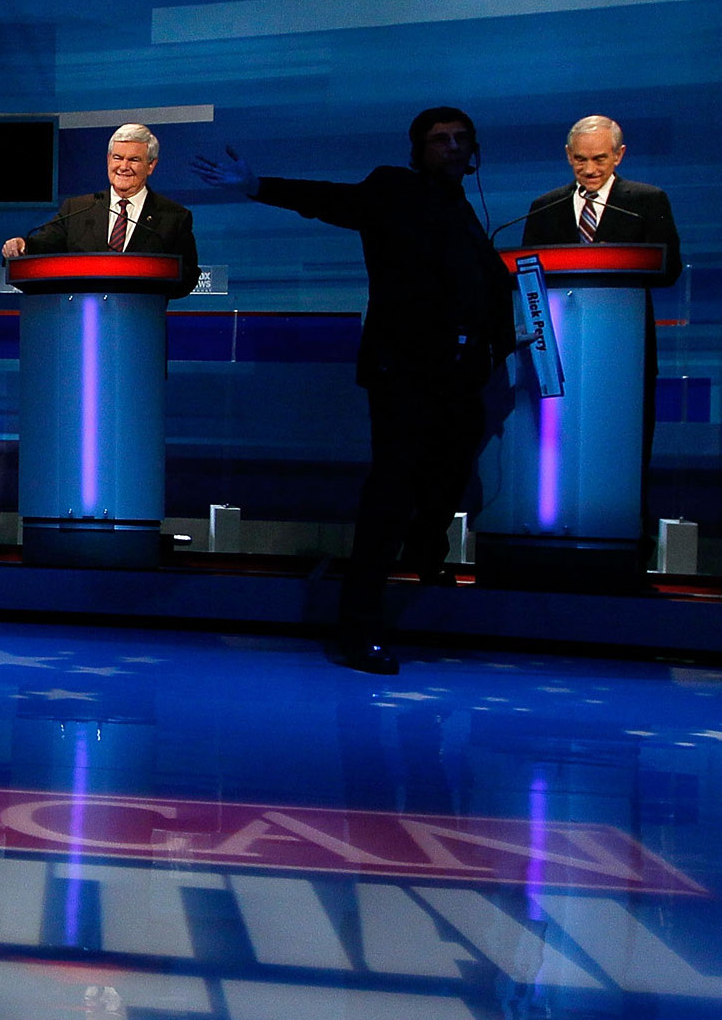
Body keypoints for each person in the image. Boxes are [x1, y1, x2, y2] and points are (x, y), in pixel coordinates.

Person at [193, 108, 515, 674]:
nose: (454, 147)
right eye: (441, 140)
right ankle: (359, 625)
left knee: (450, 477)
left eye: (463, 139)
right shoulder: (393, 188)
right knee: (391, 495)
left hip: (460, 378)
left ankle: (425, 548)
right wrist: (257, 186)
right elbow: (331, 199)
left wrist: (499, 347)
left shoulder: (466, 212)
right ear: (418, 150)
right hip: (404, 375)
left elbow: (486, 286)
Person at [520, 115, 682, 543]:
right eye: (581, 160)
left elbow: (668, 272)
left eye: (600, 159)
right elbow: (527, 278)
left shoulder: (646, 201)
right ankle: (549, 530)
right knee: (556, 444)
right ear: (568, 157)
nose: (590, 169)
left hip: (624, 349)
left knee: (623, 443)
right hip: (560, 345)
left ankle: (626, 536)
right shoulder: (546, 207)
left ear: (619, 155)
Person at [3, 123, 202, 299]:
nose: (123, 167)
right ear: (108, 160)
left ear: (151, 165)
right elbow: (44, 245)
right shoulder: (78, 209)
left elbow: (187, 275)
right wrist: (22, 246)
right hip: (79, 321)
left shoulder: (173, 217)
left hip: (142, 324)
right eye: (118, 157)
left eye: (134, 160)